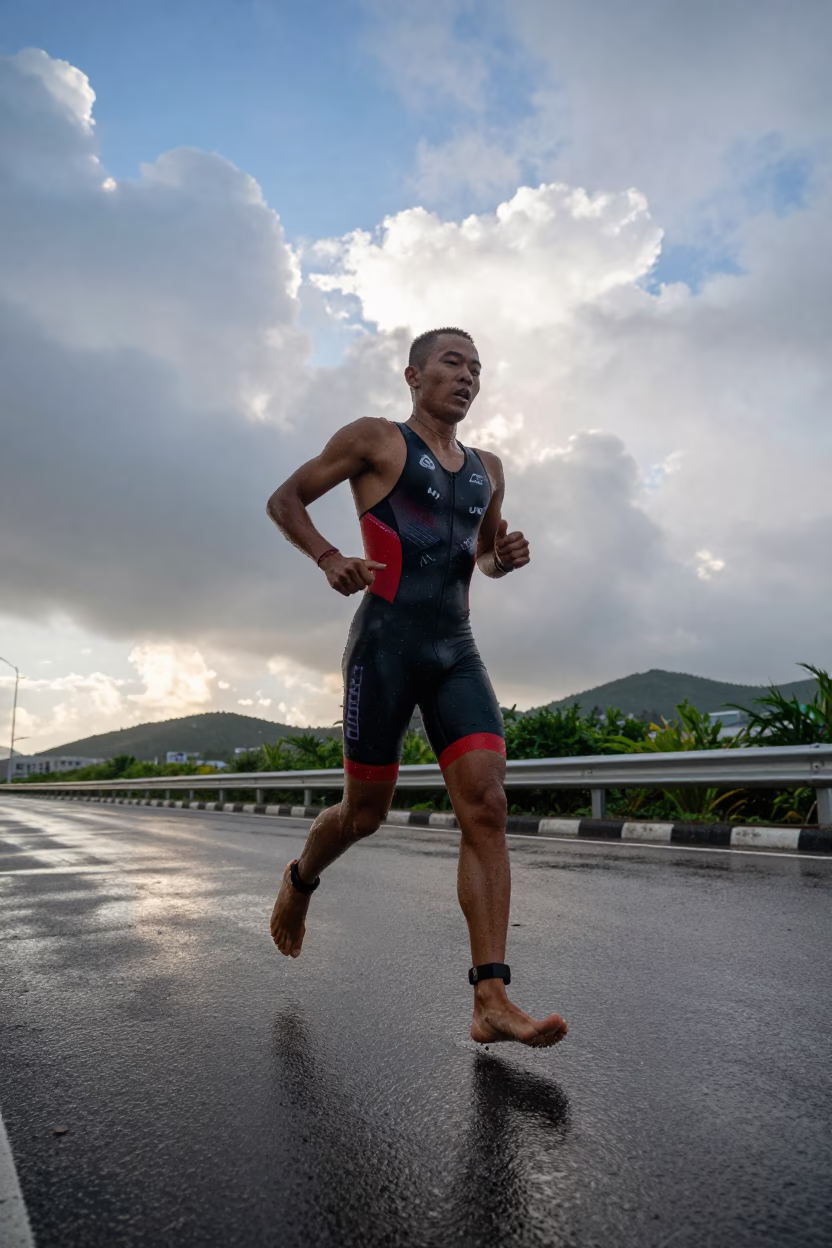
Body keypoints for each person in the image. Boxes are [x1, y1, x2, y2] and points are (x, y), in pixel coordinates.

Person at [266, 328, 568, 1048]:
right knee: (364, 815)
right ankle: (301, 880)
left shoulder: (489, 468)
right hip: (385, 645)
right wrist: (329, 556)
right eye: (452, 363)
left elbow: (484, 556)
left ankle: (491, 998)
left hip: (455, 650)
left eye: (477, 369)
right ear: (414, 374)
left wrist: (506, 556)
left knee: (488, 805)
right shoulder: (375, 440)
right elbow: (286, 499)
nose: (467, 377)